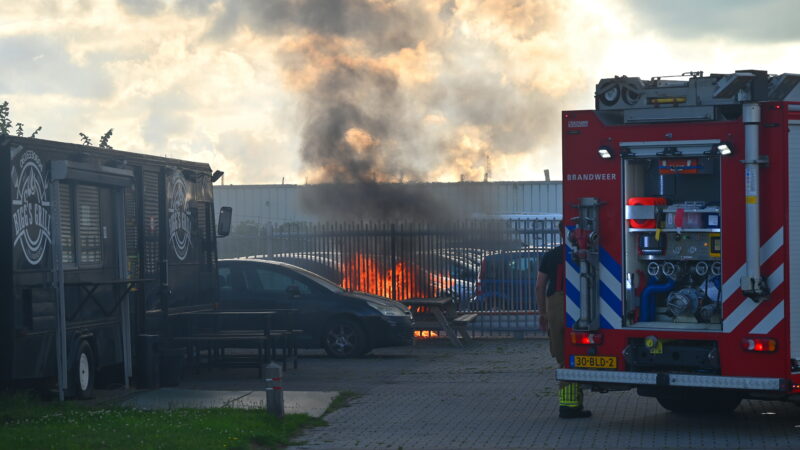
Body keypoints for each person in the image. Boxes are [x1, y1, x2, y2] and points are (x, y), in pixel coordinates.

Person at [536, 220, 591, 419]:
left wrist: (543, 313)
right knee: (576, 355)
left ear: (561, 233)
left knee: (564, 358)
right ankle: (571, 406)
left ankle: (570, 405)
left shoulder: (551, 256)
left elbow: (540, 286)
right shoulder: (588, 254)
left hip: (557, 304)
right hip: (586, 306)